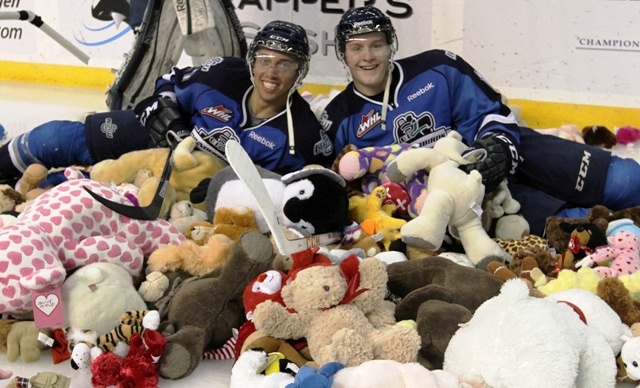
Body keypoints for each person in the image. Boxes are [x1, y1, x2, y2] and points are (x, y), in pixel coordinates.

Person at [321, 5, 640, 236]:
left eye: (376, 45)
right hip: (463, 203)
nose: (367, 56)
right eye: (356, 48)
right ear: (343, 54)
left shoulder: (438, 68)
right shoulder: (339, 117)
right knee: (586, 226)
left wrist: (495, 146)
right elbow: (342, 182)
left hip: (507, 154)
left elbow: (488, 112)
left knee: (626, 181)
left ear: (391, 45)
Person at [0, 20, 334, 186]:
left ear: (300, 70)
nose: (271, 72)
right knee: (51, 140)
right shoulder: (221, 74)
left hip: (177, 193)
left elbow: (289, 196)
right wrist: (167, 117)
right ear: (251, 62)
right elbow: (165, 87)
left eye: (285, 64)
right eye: (264, 60)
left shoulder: (303, 137)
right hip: (144, 141)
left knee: (54, 192)